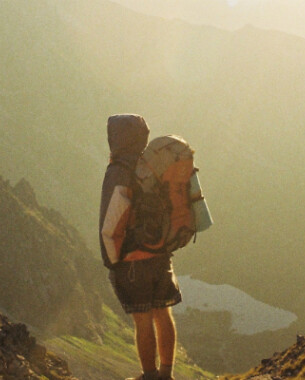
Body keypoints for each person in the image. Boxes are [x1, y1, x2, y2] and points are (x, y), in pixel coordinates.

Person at [99, 114, 182, 380]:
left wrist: (113, 261)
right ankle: (166, 373)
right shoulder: (153, 166)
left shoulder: (119, 171)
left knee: (143, 319)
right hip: (161, 254)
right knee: (163, 311)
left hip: (133, 259)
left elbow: (111, 222)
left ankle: (149, 375)